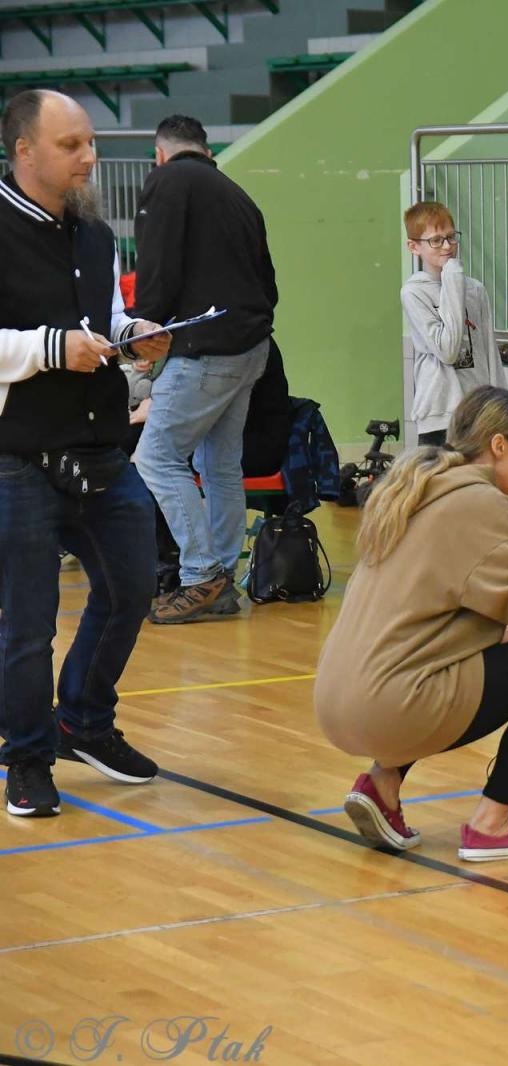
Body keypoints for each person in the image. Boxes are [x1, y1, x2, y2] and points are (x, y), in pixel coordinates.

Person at [315, 386, 508, 860]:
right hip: (390, 706)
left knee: (482, 656)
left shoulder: (413, 487)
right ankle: (492, 822)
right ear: (498, 445)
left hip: (336, 699)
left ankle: (382, 784)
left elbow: (462, 623)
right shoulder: (481, 503)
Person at [0, 89, 171, 817]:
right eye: (71, 145)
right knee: (29, 622)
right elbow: (50, 338)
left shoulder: (95, 234)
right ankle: (27, 759)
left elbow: (95, 321)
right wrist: (48, 350)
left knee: (135, 586)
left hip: (99, 447)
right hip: (18, 457)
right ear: (24, 151)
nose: (90, 157)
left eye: (90, 142)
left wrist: (133, 333)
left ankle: (85, 721)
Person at [133, 113, 278, 624]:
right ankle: (217, 582)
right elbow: (269, 281)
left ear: (160, 154)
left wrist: (140, 333)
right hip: (252, 347)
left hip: (205, 349)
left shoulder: (166, 182)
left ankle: (201, 576)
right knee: (219, 466)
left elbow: (155, 266)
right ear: (206, 148)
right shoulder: (237, 193)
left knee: (155, 458)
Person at [402, 200, 508, 446]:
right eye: (436, 240)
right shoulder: (414, 292)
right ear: (414, 246)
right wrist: (451, 278)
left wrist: (502, 405)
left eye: (451, 237)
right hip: (440, 415)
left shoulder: (475, 289)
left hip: (479, 411)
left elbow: (488, 353)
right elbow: (448, 350)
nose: (447, 246)